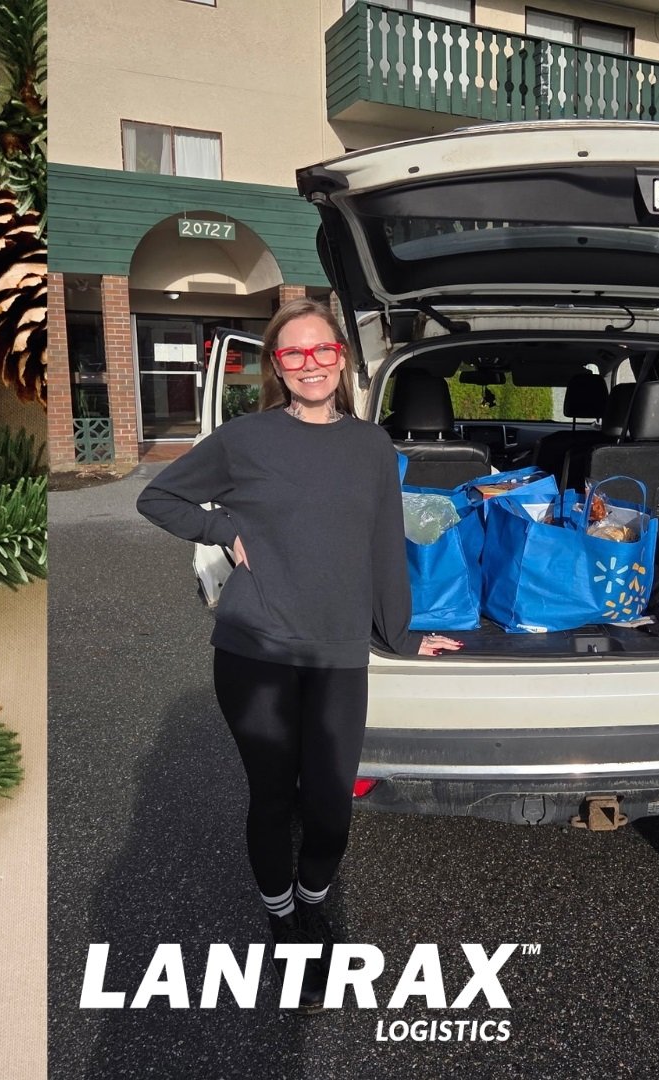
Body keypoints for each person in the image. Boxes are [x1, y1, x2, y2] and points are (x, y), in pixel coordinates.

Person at [137, 298, 461, 1008]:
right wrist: (220, 524)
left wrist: (399, 633)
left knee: (329, 807)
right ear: (275, 367)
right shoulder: (245, 438)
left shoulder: (373, 444)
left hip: (339, 650)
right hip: (256, 647)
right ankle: (285, 922)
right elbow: (159, 499)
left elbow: (383, 546)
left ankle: (311, 898)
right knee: (272, 796)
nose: (309, 364)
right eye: (293, 354)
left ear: (340, 358)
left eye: (321, 351)